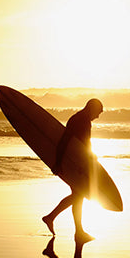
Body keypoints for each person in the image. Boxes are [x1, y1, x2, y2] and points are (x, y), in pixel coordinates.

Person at [42, 98, 103, 243]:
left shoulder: (81, 119)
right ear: (92, 108)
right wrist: (58, 162)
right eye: (98, 112)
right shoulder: (80, 120)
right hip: (72, 163)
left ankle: (77, 231)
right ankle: (52, 217)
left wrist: (91, 155)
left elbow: (83, 143)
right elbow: (65, 140)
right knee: (78, 194)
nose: (98, 116)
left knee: (78, 195)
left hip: (76, 162)